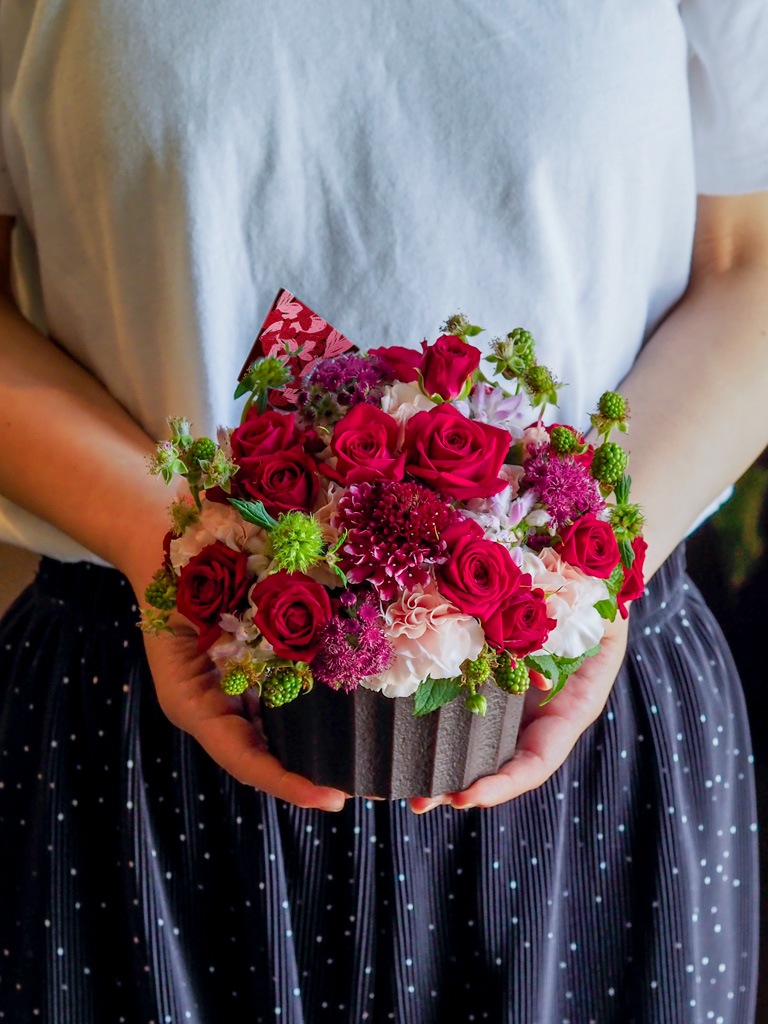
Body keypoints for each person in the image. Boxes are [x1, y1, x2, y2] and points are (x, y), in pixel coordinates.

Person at [0, 3, 766, 1021]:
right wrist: (178, 546)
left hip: (578, 724)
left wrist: (584, 569)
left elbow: (746, 259)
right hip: (137, 739)